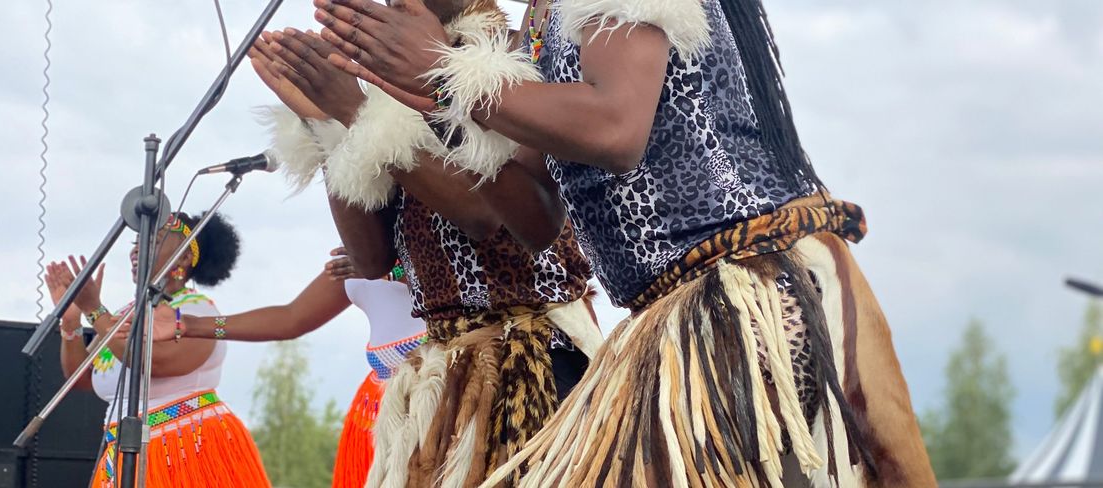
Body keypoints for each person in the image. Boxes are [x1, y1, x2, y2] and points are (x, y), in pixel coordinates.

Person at [312, 0, 936, 485]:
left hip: (746, 295)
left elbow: (615, 129)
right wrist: (427, 102)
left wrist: (445, 77)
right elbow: (535, 219)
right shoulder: (541, 20)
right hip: (679, 314)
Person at [162, 23, 603, 487]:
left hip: (533, 365)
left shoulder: (512, 54)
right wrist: (325, 124)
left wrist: (354, 112)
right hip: (435, 383)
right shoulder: (384, 93)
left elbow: (482, 215)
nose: (395, 9)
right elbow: (369, 258)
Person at [162, 248, 427, 488]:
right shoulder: (359, 244)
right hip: (379, 405)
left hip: (434, 394)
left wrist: (387, 271)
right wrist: (190, 325)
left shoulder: (434, 225)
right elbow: (291, 317)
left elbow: (451, 272)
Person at [45, 212, 270, 488]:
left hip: (186, 451)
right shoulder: (124, 315)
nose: (137, 250)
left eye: (151, 241)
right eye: (135, 242)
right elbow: (81, 377)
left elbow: (153, 362)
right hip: (125, 453)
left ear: (184, 257)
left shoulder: (197, 310)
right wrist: (71, 321)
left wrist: (94, 310)